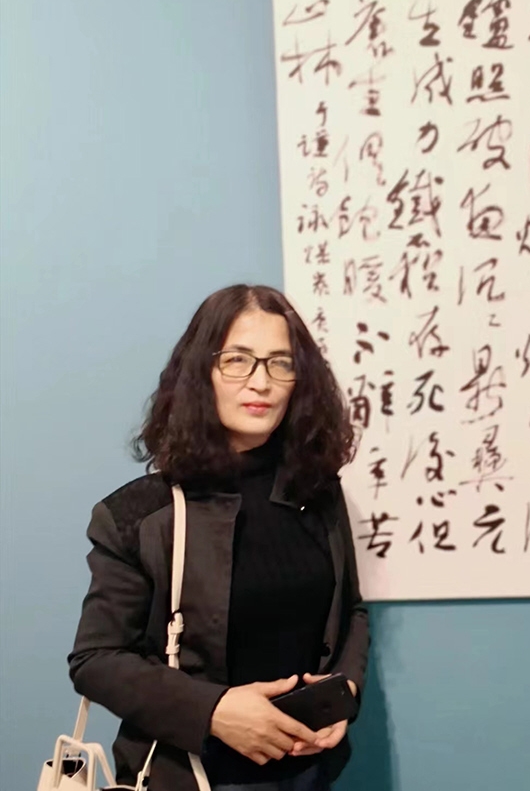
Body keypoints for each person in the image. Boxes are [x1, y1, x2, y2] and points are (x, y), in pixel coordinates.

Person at [68, 284, 369, 791]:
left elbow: (352, 610)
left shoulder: (318, 491)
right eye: (238, 360)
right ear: (201, 373)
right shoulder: (141, 514)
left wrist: (346, 692)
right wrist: (215, 710)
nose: (261, 382)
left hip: (310, 773)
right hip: (190, 775)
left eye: (280, 363)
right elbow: (95, 659)